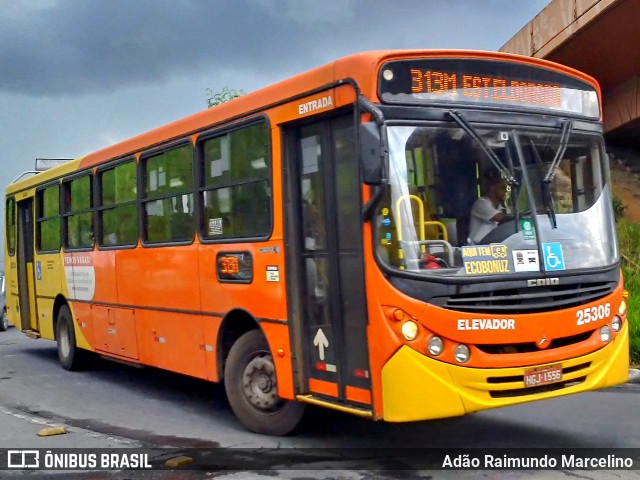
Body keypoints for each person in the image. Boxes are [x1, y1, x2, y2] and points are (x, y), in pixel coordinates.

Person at [468, 170, 510, 244]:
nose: (506, 191)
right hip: (478, 249)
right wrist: (523, 216)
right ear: (492, 188)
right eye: (502, 188)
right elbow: (502, 218)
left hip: (497, 247)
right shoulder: (481, 204)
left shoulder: (504, 209)